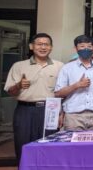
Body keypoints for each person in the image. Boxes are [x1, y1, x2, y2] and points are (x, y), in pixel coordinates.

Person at [4, 33, 63, 161]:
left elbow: (63, 93)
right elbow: (10, 91)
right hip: (25, 111)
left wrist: (61, 113)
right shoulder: (19, 66)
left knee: (49, 146)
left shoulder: (59, 66)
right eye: (39, 44)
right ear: (31, 46)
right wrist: (19, 85)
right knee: (23, 145)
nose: (43, 47)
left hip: (50, 110)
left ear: (51, 47)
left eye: (46, 44)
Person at [54, 35, 93, 130]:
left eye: (89, 46)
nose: (86, 49)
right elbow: (58, 93)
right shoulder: (67, 68)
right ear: (76, 48)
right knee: (73, 140)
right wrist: (77, 85)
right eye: (82, 46)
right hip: (73, 116)